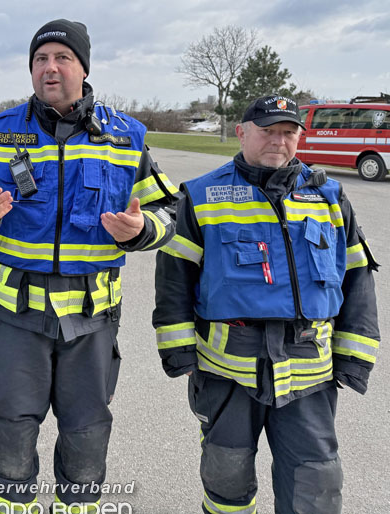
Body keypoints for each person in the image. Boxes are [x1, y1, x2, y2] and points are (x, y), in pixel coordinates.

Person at [0, 19, 179, 511]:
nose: (50, 68)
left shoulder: (126, 136)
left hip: (92, 321)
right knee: (12, 426)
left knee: (87, 430)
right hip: (15, 319)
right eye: (40, 60)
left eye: (62, 58)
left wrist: (141, 232)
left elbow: (167, 213)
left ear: (83, 67)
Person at [152, 95, 380, 513]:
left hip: (309, 372)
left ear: (299, 137)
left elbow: (356, 276)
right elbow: (174, 277)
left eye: (288, 132)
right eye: (267, 130)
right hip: (227, 372)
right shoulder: (203, 195)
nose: (279, 140)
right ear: (242, 132)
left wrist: (355, 355)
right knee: (227, 478)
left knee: (317, 485)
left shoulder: (330, 196)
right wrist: (177, 347)